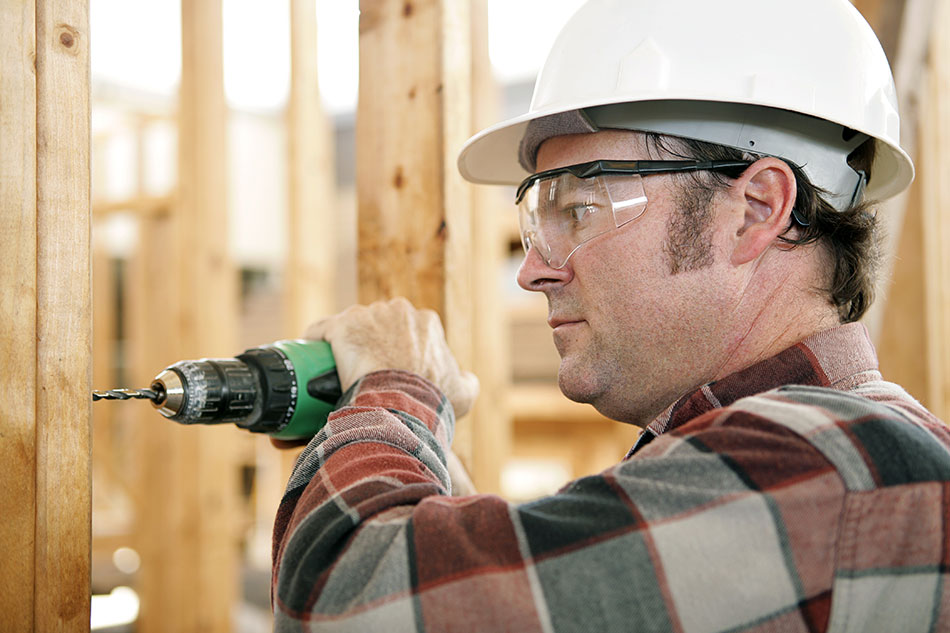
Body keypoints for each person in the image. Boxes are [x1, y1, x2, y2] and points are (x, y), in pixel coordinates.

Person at [271, 1, 950, 630]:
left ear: (754, 210)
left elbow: (341, 604)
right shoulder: (781, 466)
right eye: (541, 220)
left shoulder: (828, 465)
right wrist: (423, 459)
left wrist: (392, 386)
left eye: (582, 209)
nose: (533, 270)